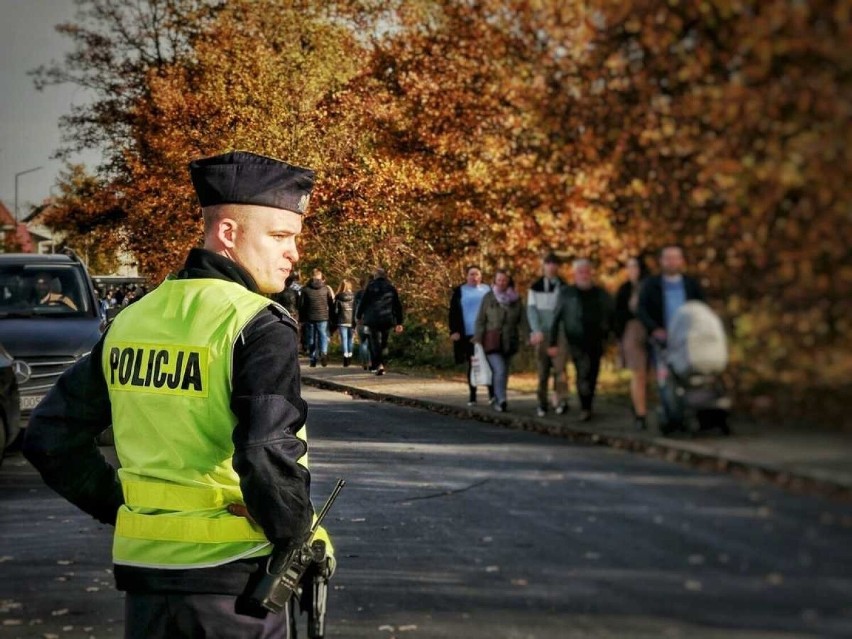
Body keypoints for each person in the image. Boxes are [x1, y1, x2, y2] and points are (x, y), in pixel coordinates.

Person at [23, 150, 331, 639]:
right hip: (236, 582)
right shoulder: (257, 323)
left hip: (146, 581)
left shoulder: (133, 319)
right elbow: (268, 451)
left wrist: (127, 507)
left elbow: (48, 436)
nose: (294, 252)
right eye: (280, 236)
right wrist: (299, 540)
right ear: (228, 233)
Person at [549, 259, 613, 422]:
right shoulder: (566, 293)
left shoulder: (600, 293)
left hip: (597, 339)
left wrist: (610, 336)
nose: (584, 275)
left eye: (586, 271)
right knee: (582, 372)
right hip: (576, 339)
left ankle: (588, 403)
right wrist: (553, 343)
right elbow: (556, 318)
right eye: (580, 272)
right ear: (574, 274)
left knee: (593, 374)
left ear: (591, 273)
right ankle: (585, 408)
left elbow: (611, 315)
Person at [473, 270, 525, 412]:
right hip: (492, 341)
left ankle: (498, 396)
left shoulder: (516, 299)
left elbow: (523, 320)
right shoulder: (488, 298)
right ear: (494, 281)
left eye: (504, 280)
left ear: (508, 281)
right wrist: (478, 337)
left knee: (504, 371)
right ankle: (501, 400)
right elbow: (480, 320)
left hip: (510, 341)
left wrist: (528, 337)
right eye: (499, 280)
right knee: (500, 369)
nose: (502, 282)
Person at [527, 252, 569, 417]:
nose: (551, 267)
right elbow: (531, 311)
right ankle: (542, 403)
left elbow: (567, 312)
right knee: (543, 372)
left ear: (557, 267)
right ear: (543, 266)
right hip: (542, 334)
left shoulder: (564, 287)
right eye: (548, 264)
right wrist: (536, 330)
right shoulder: (535, 287)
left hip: (559, 335)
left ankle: (561, 401)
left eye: (554, 264)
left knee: (560, 370)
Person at [637, 245, 705, 345]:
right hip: (660, 342)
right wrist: (654, 329)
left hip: (688, 341)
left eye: (675, 258)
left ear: (681, 260)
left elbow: (702, 309)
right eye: (668, 258)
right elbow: (641, 309)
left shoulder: (692, 285)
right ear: (661, 260)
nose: (672, 262)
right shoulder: (650, 285)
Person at [614, 256, 651, 430]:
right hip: (632, 331)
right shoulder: (624, 289)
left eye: (635, 267)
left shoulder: (651, 286)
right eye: (629, 267)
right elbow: (618, 315)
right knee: (639, 374)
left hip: (652, 330)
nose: (632, 270)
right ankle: (640, 413)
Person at [448, 265, 494, 406]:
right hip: (467, 333)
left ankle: (492, 395)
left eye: (477, 274)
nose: (474, 277)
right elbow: (453, 313)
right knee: (473, 364)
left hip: (486, 333)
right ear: (467, 276)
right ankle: (473, 396)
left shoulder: (488, 290)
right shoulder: (460, 291)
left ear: (480, 276)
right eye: (471, 274)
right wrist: (454, 331)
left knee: (489, 363)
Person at [355, 267, 404, 376]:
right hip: (387, 318)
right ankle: (382, 363)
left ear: (376, 276)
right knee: (384, 342)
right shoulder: (391, 288)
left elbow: (363, 302)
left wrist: (359, 316)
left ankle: (379, 365)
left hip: (372, 319)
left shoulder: (370, 287)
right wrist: (399, 322)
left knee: (375, 342)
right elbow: (397, 305)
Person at [299, 268, 335, 367]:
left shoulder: (305, 289)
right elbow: (331, 304)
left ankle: (312, 358)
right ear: (321, 277)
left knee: (311, 338)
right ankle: (323, 353)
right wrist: (332, 316)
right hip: (323, 316)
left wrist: (301, 319)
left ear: (312, 277)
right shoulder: (326, 289)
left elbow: (301, 305)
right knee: (323, 335)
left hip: (310, 317)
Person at [334, 278, 357, 366]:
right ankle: (350, 356)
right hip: (351, 320)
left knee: (344, 339)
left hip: (342, 320)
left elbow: (335, 310)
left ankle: (345, 357)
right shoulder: (354, 296)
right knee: (350, 339)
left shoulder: (338, 297)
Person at [353, 275, 373, 370]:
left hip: (360, 321)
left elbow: (354, 308)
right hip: (370, 320)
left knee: (363, 342)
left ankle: (363, 362)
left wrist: (354, 321)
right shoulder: (372, 294)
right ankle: (370, 361)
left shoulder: (358, 294)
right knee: (370, 342)